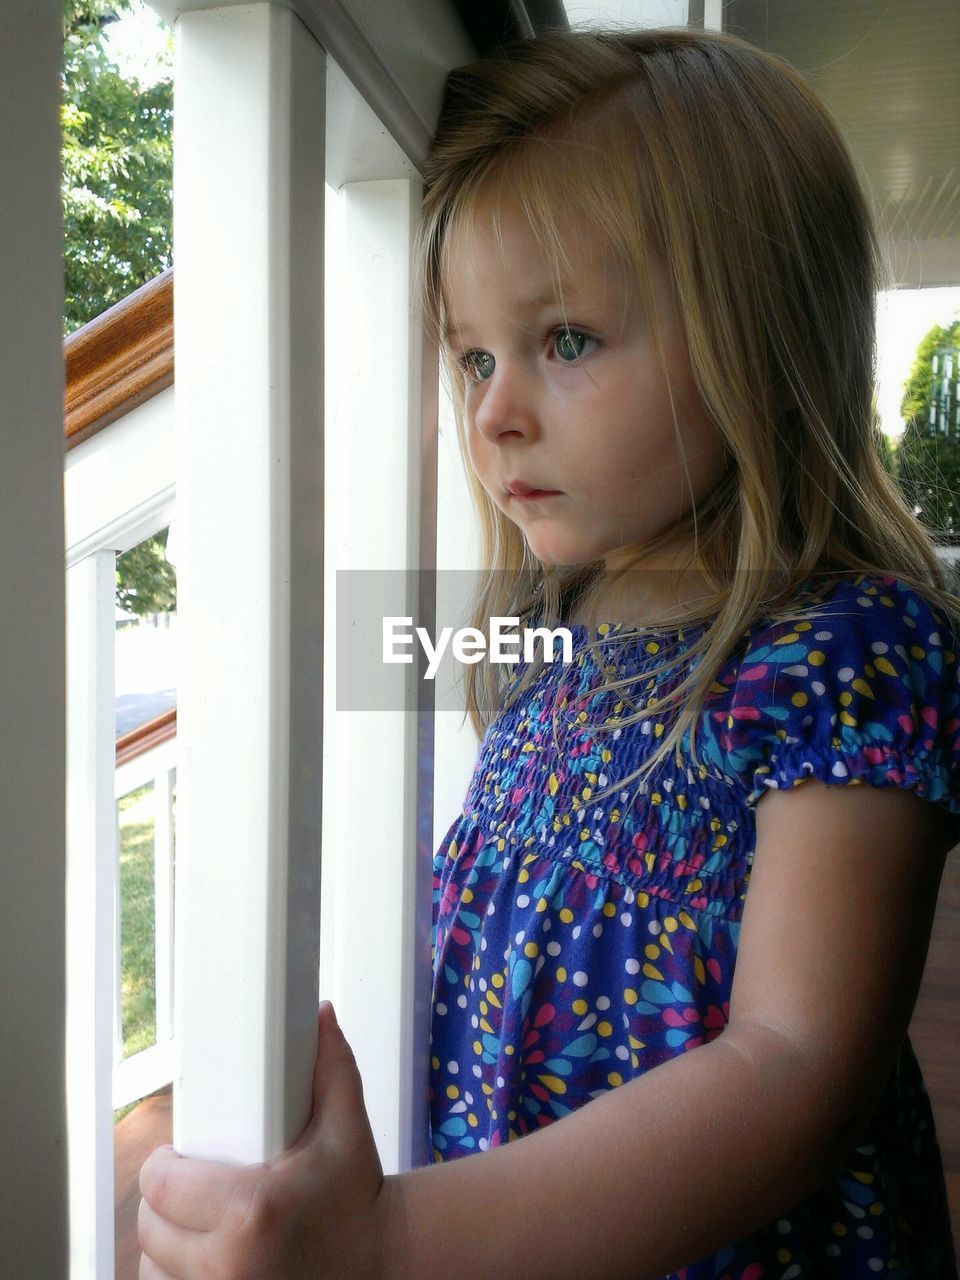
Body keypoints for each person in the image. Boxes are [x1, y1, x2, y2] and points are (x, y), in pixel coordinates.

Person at [138, 27, 960, 1279]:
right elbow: (350, 653)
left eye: (565, 340)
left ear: (761, 330)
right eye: (472, 354)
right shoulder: (550, 626)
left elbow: (791, 1066)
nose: (491, 409)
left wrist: (390, 1240)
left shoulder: (845, 648)